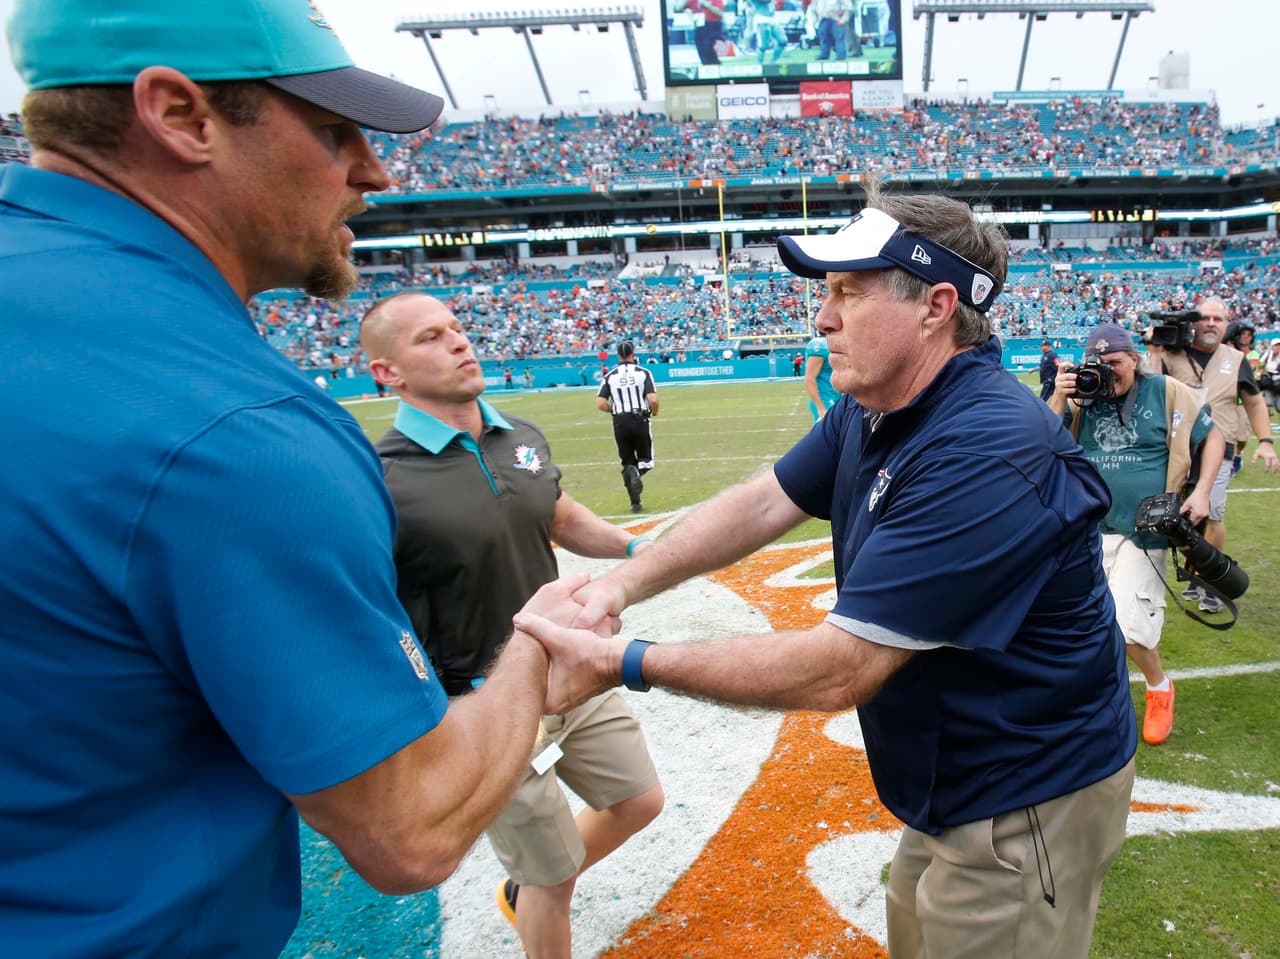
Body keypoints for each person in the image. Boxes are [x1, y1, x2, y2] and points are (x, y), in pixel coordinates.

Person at [0, 3, 578, 956]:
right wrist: (537, 648)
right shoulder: (236, 428)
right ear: (182, 116)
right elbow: (410, 824)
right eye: (331, 129)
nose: (373, 169)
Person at [522, 187, 1137, 959]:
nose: (822, 316)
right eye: (826, 291)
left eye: (848, 291)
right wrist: (617, 584)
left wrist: (622, 661)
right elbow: (759, 505)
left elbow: (838, 668)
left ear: (936, 306)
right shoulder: (877, 403)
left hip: (1025, 791)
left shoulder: (986, 449)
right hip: (959, 775)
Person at [359, 293, 664, 959]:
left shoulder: (518, 435)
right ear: (388, 373)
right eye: (431, 337)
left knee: (640, 801)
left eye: (459, 329)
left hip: (572, 669)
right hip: (483, 702)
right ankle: (537, 889)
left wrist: (640, 550)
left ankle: (528, 888)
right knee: (551, 880)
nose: (460, 343)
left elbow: (556, 512)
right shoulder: (377, 475)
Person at [1048, 323, 1224, 745]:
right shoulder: (1080, 396)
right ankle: (1097, 698)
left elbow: (1212, 436)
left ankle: (1159, 687)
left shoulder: (1164, 390)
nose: (1108, 372)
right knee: (1085, 620)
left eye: (1115, 364)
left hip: (1145, 528)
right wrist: (1059, 395)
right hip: (1086, 526)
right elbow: (1040, 438)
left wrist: (1201, 492)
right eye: (1099, 364)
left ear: (1134, 360)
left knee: (1127, 623)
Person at [1147, 298, 1279, 612]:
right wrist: (1154, 350)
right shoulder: (1170, 351)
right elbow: (1150, 386)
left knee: (1213, 513)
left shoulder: (1235, 358)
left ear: (1226, 323)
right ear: (1191, 322)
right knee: (1175, 516)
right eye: (1203, 317)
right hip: (1176, 447)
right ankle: (1194, 575)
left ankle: (1213, 584)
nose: (1210, 323)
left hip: (1221, 448)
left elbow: (1255, 401)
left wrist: (1265, 440)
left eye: (1217, 319)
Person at [597, 340, 659, 514]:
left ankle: (635, 504)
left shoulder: (610, 376)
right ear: (633, 354)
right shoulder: (643, 373)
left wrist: (614, 410)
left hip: (619, 422)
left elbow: (600, 402)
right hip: (639, 419)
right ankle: (636, 472)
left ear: (618, 355)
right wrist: (654, 412)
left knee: (627, 463)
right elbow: (653, 399)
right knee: (646, 461)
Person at [673, 0, 727, 65]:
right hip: (700, 26)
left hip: (713, 26)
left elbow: (720, 13)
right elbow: (677, 9)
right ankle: (706, 65)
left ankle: (714, 64)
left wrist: (708, 5)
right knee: (701, 48)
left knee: (708, 46)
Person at [803, 331, 840, 422]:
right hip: (825, 397)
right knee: (829, 433)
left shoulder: (832, 343)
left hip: (836, 395)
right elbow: (809, 378)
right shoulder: (820, 345)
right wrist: (821, 408)